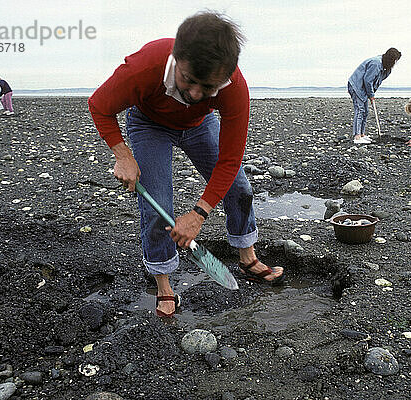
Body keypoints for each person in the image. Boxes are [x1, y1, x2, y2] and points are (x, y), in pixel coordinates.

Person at [88, 11, 284, 318]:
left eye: (208, 88)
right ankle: (164, 285)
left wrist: (199, 213)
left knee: (239, 187)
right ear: (176, 58)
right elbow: (99, 105)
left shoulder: (234, 88)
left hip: (199, 125)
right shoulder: (144, 66)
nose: (194, 93)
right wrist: (122, 154)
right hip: (149, 123)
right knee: (157, 207)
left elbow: (230, 160)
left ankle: (247, 257)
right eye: (189, 80)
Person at [347, 48, 401, 144]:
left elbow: (378, 81)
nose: (395, 63)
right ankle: (357, 136)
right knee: (360, 110)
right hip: (356, 86)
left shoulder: (385, 67)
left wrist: (371, 93)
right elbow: (368, 80)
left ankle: (362, 134)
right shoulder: (376, 63)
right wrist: (371, 95)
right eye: (395, 61)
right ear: (391, 59)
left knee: (366, 111)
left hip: (363, 88)